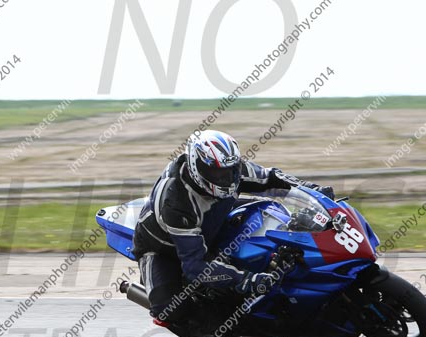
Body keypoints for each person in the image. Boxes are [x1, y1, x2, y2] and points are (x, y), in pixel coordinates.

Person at [132, 129, 334, 325]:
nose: (224, 177)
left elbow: (271, 177)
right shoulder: (176, 200)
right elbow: (195, 265)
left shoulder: (233, 169)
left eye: (230, 170)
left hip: (214, 218)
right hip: (164, 247)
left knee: (272, 214)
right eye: (215, 171)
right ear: (195, 165)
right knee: (168, 309)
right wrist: (246, 279)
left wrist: (313, 191)